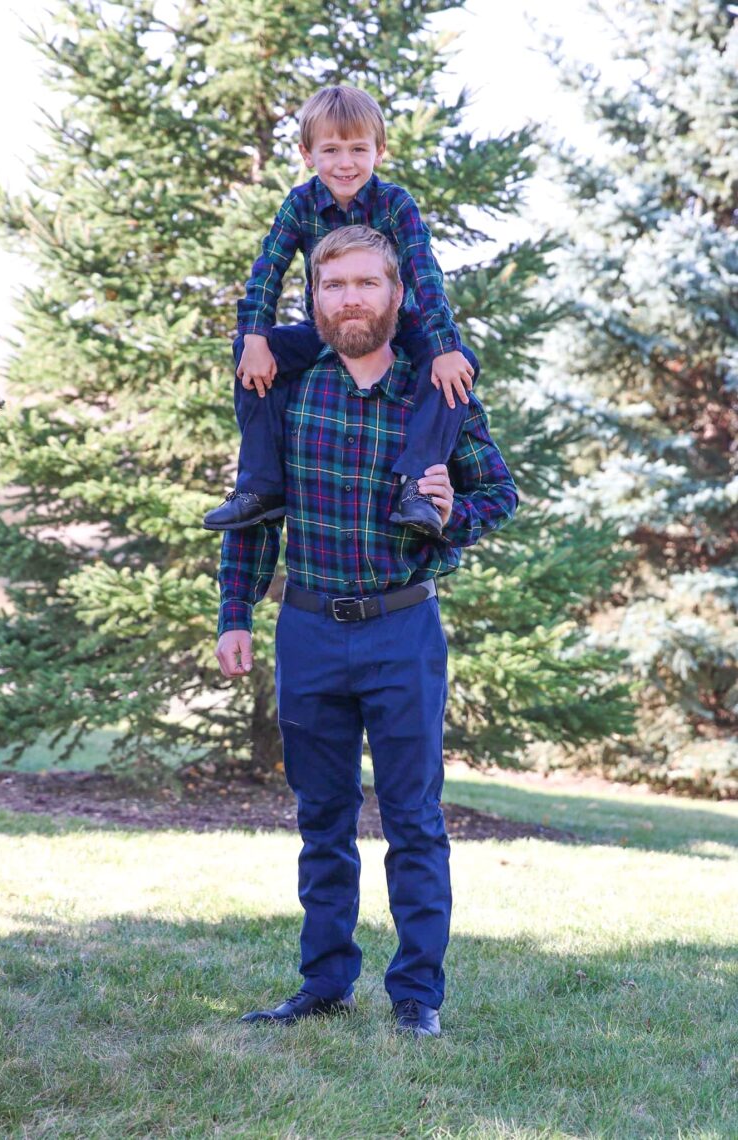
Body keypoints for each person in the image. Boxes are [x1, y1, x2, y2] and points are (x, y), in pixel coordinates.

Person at [215, 226, 518, 1039]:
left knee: (414, 820)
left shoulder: (440, 393)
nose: (350, 298)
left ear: (395, 295)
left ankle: (417, 997)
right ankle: (324, 985)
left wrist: (451, 519)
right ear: (313, 299)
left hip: (401, 631)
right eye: (333, 284)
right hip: (308, 632)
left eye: (366, 284)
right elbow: (254, 509)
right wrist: (235, 613)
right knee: (323, 819)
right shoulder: (285, 386)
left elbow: (500, 492)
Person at [203, 84, 479, 540]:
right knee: (253, 351)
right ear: (308, 154)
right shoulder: (300, 203)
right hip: (328, 326)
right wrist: (254, 335)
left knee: (455, 365)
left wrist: (446, 347)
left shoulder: (396, 205)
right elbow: (268, 268)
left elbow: (425, 276)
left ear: (380, 151)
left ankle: (418, 487)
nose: (345, 162)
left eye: (358, 149)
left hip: (398, 325)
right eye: (331, 150)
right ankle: (261, 487)